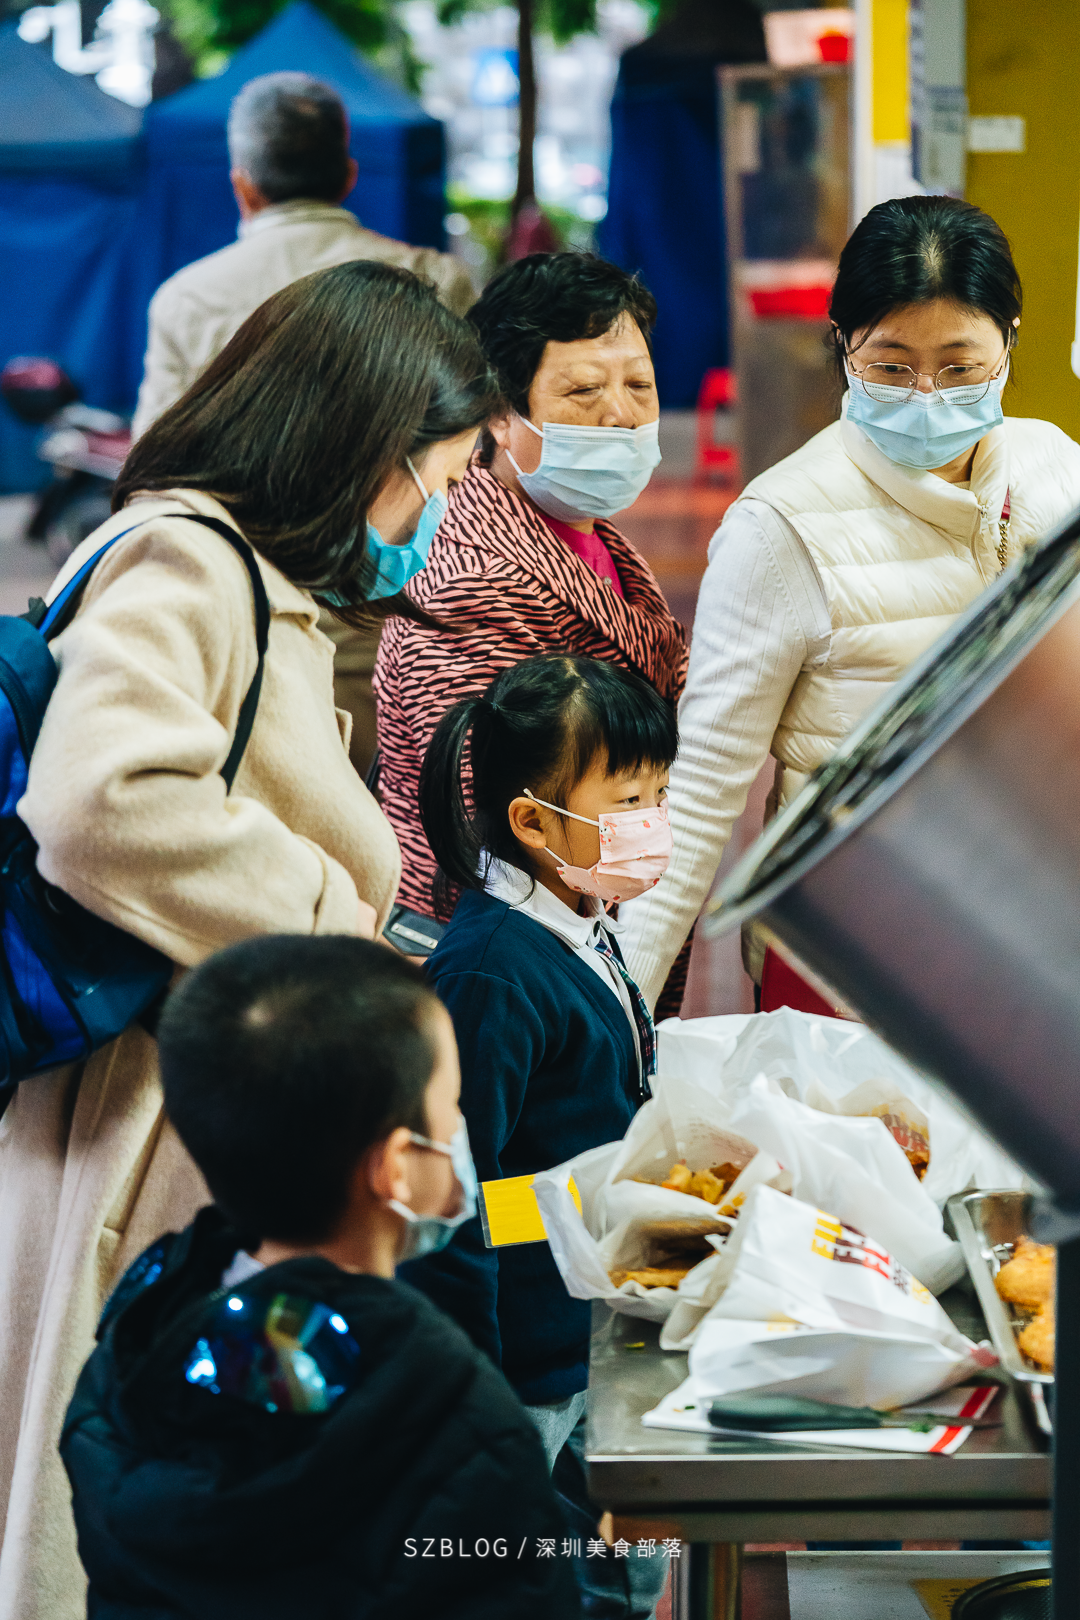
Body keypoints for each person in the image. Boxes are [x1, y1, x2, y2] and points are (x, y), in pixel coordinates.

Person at [0, 260, 498, 1620]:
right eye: (439, 477)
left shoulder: (248, 571)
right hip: (153, 1110)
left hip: (201, 1098)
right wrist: (342, 927)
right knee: (119, 1514)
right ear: (358, 442)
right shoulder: (191, 557)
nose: (440, 517)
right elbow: (104, 801)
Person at [622, 194, 1080, 1011]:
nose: (928, 393)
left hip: (1042, 930)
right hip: (857, 951)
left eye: (962, 364)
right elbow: (700, 795)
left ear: (1010, 340)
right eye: (892, 365)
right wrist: (616, 1012)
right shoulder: (782, 524)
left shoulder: (1055, 467)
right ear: (843, 347)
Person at [60, 936, 581, 1620]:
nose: (460, 1127)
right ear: (396, 1166)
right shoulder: (461, 1423)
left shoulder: (132, 1345)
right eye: (451, 1105)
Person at [403, 653, 677, 1620]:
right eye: (630, 797)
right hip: (518, 1356)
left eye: (660, 791)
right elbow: (457, 1197)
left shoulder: (578, 914)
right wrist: (585, 1198)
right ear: (532, 822)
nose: (655, 819)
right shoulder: (492, 975)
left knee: (621, 1560)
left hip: (586, 1325)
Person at [133, 72, 475, 774]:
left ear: (242, 184)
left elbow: (153, 479)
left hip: (239, 635)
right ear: (349, 175)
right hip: (392, 639)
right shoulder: (432, 279)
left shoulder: (188, 298)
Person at [373, 253, 689, 942]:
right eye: (581, 392)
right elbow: (471, 818)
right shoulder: (467, 576)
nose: (621, 416)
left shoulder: (590, 535)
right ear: (497, 415)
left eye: (640, 385)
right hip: (501, 950)